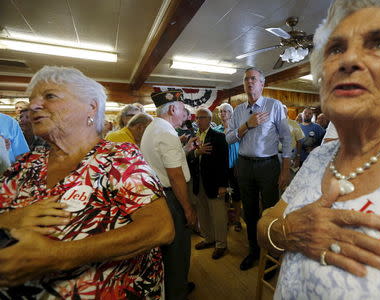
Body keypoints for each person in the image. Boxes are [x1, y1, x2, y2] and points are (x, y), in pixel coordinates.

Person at [257, 0, 380, 298]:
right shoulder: (320, 158)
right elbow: (265, 226)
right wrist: (288, 231)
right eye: (335, 48)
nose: (349, 60)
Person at [0, 66, 175, 299]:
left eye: (49, 96)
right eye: (31, 100)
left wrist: (57, 255)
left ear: (91, 107)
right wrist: (11, 219)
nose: (32, 106)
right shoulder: (26, 164)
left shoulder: (118, 158)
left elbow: (160, 228)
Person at [225, 67, 291, 271]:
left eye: (254, 78)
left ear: (262, 84)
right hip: (244, 165)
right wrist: (247, 125)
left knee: (270, 211)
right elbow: (229, 139)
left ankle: (272, 257)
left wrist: (285, 170)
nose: (249, 82)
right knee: (250, 212)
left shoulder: (274, 105)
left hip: (268, 165)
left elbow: (286, 138)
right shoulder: (238, 111)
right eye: (246, 79)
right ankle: (253, 252)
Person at [141, 90, 197, 300]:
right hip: (173, 198)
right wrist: (188, 209)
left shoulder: (154, 127)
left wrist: (185, 149)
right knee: (178, 252)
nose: (186, 115)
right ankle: (177, 291)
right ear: (173, 109)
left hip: (159, 196)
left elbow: (166, 162)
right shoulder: (167, 133)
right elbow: (175, 176)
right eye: (183, 110)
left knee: (167, 252)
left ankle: (170, 288)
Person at [189, 108, 229, 259]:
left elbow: (224, 163)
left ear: (210, 119)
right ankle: (209, 239)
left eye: (202, 117)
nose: (198, 120)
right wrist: (195, 153)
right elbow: (190, 158)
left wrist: (223, 185)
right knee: (203, 213)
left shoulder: (218, 137)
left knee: (218, 215)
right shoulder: (194, 137)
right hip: (198, 182)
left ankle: (221, 244)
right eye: (197, 118)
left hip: (214, 182)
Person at [215, 103, 242, 232]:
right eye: (221, 111)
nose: (223, 113)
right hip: (222, 169)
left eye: (226, 111)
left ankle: (237, 220)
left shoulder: (237, 130)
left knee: (237, 195)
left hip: (236, 167)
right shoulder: (217, 131)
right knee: (224, 195)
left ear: (231, 114)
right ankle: (225, 220)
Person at [282, 105, 304, 170]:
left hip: (290, 155)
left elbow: (299, 141)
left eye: (283, 111)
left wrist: (298, 157)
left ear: (286, 112)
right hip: (274, 155)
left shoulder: (294, 124)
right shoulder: (273, 124)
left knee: (288, 177)